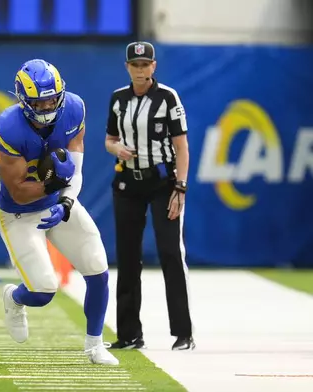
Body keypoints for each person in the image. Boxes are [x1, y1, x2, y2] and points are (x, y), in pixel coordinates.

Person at [0, 59, 118, 366]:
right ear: (23, 100)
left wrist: (65, 202)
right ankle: (13, 298)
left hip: (58, 204)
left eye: (52, 98)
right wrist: (54, 185)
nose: (48, 105)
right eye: (40, 101)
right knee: (43, 291)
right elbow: (19, 191)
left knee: (97, 267)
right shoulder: (7, 127)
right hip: (19, 214)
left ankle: (94, 345)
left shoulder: (74, 108)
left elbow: (75, 172)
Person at [104, 41, 194, 351]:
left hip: (161, 183)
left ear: (153, 66)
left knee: (170, 252)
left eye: (146, 65)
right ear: (127, 67)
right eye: (135, 65)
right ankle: (129, 333)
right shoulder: (119, 100)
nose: (141, 70)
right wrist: (117, 149)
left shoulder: (167, 98)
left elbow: (181, 146)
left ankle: (183, 333)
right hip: (128, 183)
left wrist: (180, 187)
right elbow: (109, 139)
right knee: (128, 258)